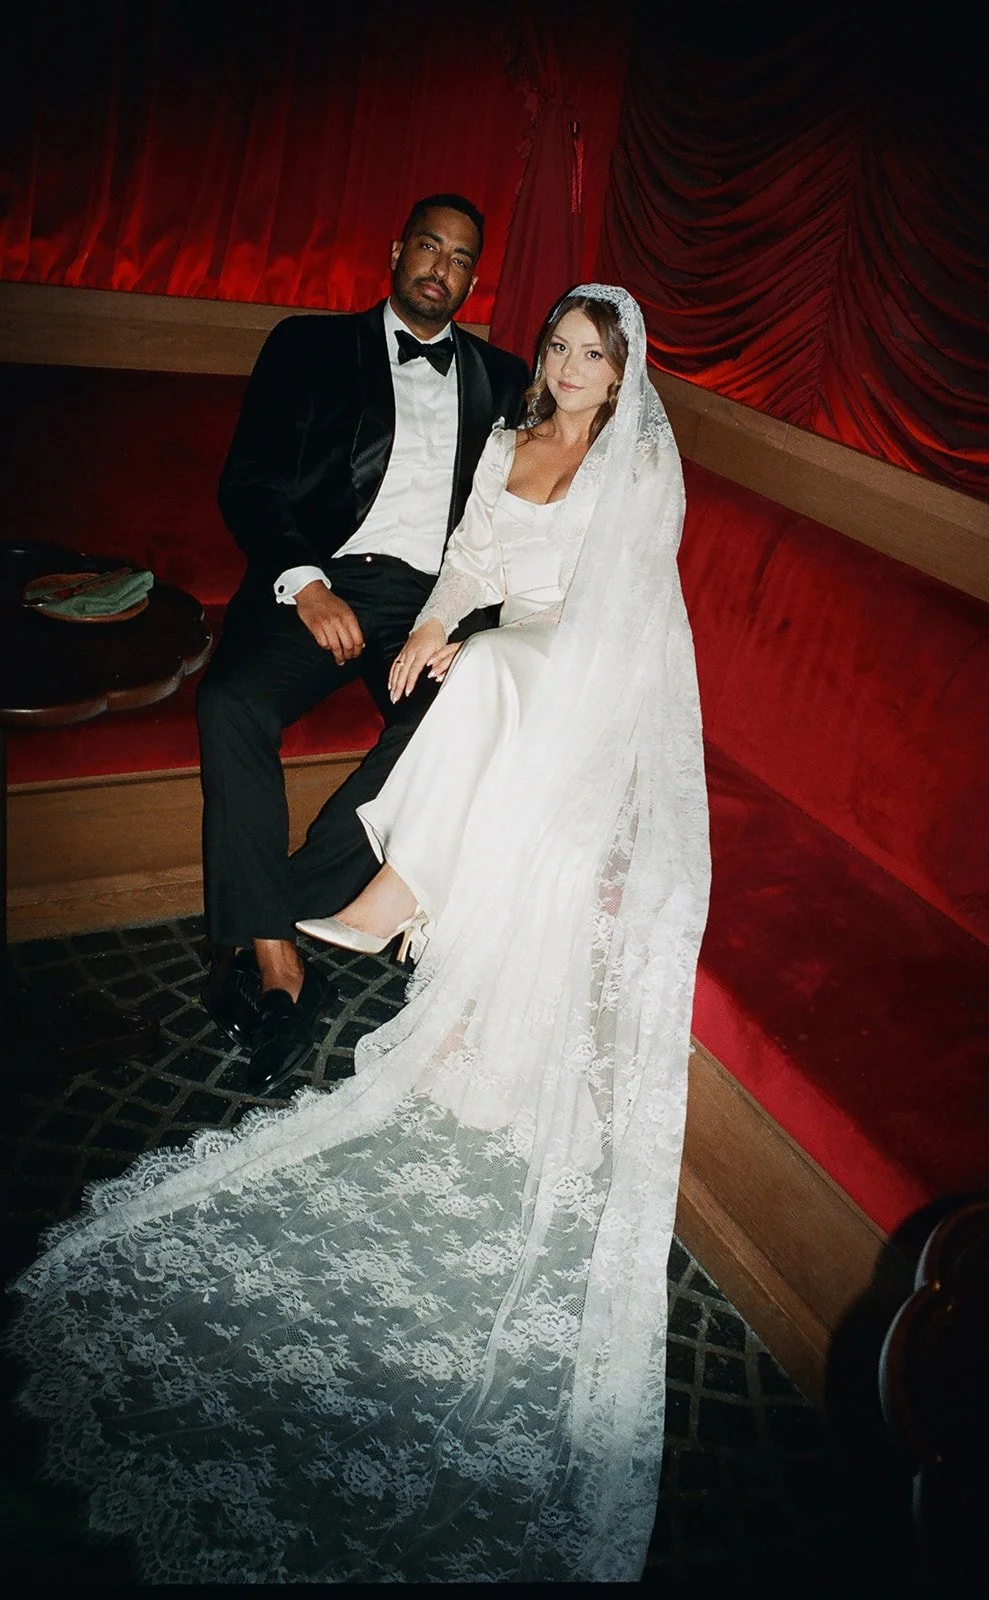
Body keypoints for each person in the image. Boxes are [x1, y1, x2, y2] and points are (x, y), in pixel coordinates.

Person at [8, 286, 710, 1583]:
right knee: (460, 672)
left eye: (586, 357)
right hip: (504, 643)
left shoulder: (631, 471)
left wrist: (482, 645)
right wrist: (440, 621)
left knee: (489, 680)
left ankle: (394, 891)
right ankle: (373, 896)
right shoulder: (509, 439)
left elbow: (629, 628)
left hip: (595, 677)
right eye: (553, 346)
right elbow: (477, 564)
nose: (561, 368)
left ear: (621, 378)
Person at [198, 193, 529, 1095]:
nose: (440, 267)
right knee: (229, 703)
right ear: (396, 250)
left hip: (431, 600)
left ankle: (280, 906)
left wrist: (472, 620)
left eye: (461, 258)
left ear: (471, 277)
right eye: (428, 245)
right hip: (321, 578)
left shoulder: (505, 380)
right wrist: (304, 582)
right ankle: (277, 959)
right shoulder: (305, 345)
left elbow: (526, 511)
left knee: (451, 723)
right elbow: (250, 480)